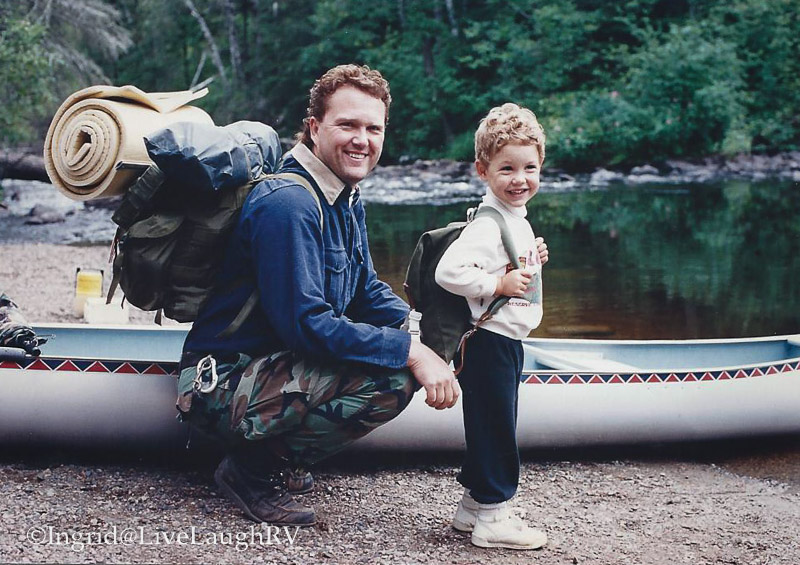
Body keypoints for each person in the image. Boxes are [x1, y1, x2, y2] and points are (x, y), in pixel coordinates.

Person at [177, 64, 460, 526]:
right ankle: (251, 470)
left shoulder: (344, 195)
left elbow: (366, 290)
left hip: (269, 366)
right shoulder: (288, 203)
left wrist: (424, 333)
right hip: (220, 383)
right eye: (347, 125)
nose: (361, 140)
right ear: (314, 128)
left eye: (373, 128)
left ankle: (274, 454)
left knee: (402, 355)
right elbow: (307, 325)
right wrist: (410, 353)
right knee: (393, 379)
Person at [434, 102, 549, 550]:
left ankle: (471, 509)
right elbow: (449, 272)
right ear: (482, 170)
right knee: (497, 426)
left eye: (530, 167)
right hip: (489, 340)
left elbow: (509, 258)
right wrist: (497, 282)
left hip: (501, 340)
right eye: (507, 169)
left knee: (489, 422)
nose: (520, 179)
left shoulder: (512, 217)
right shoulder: (488, 222)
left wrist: (530, 258)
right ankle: (493, 518)